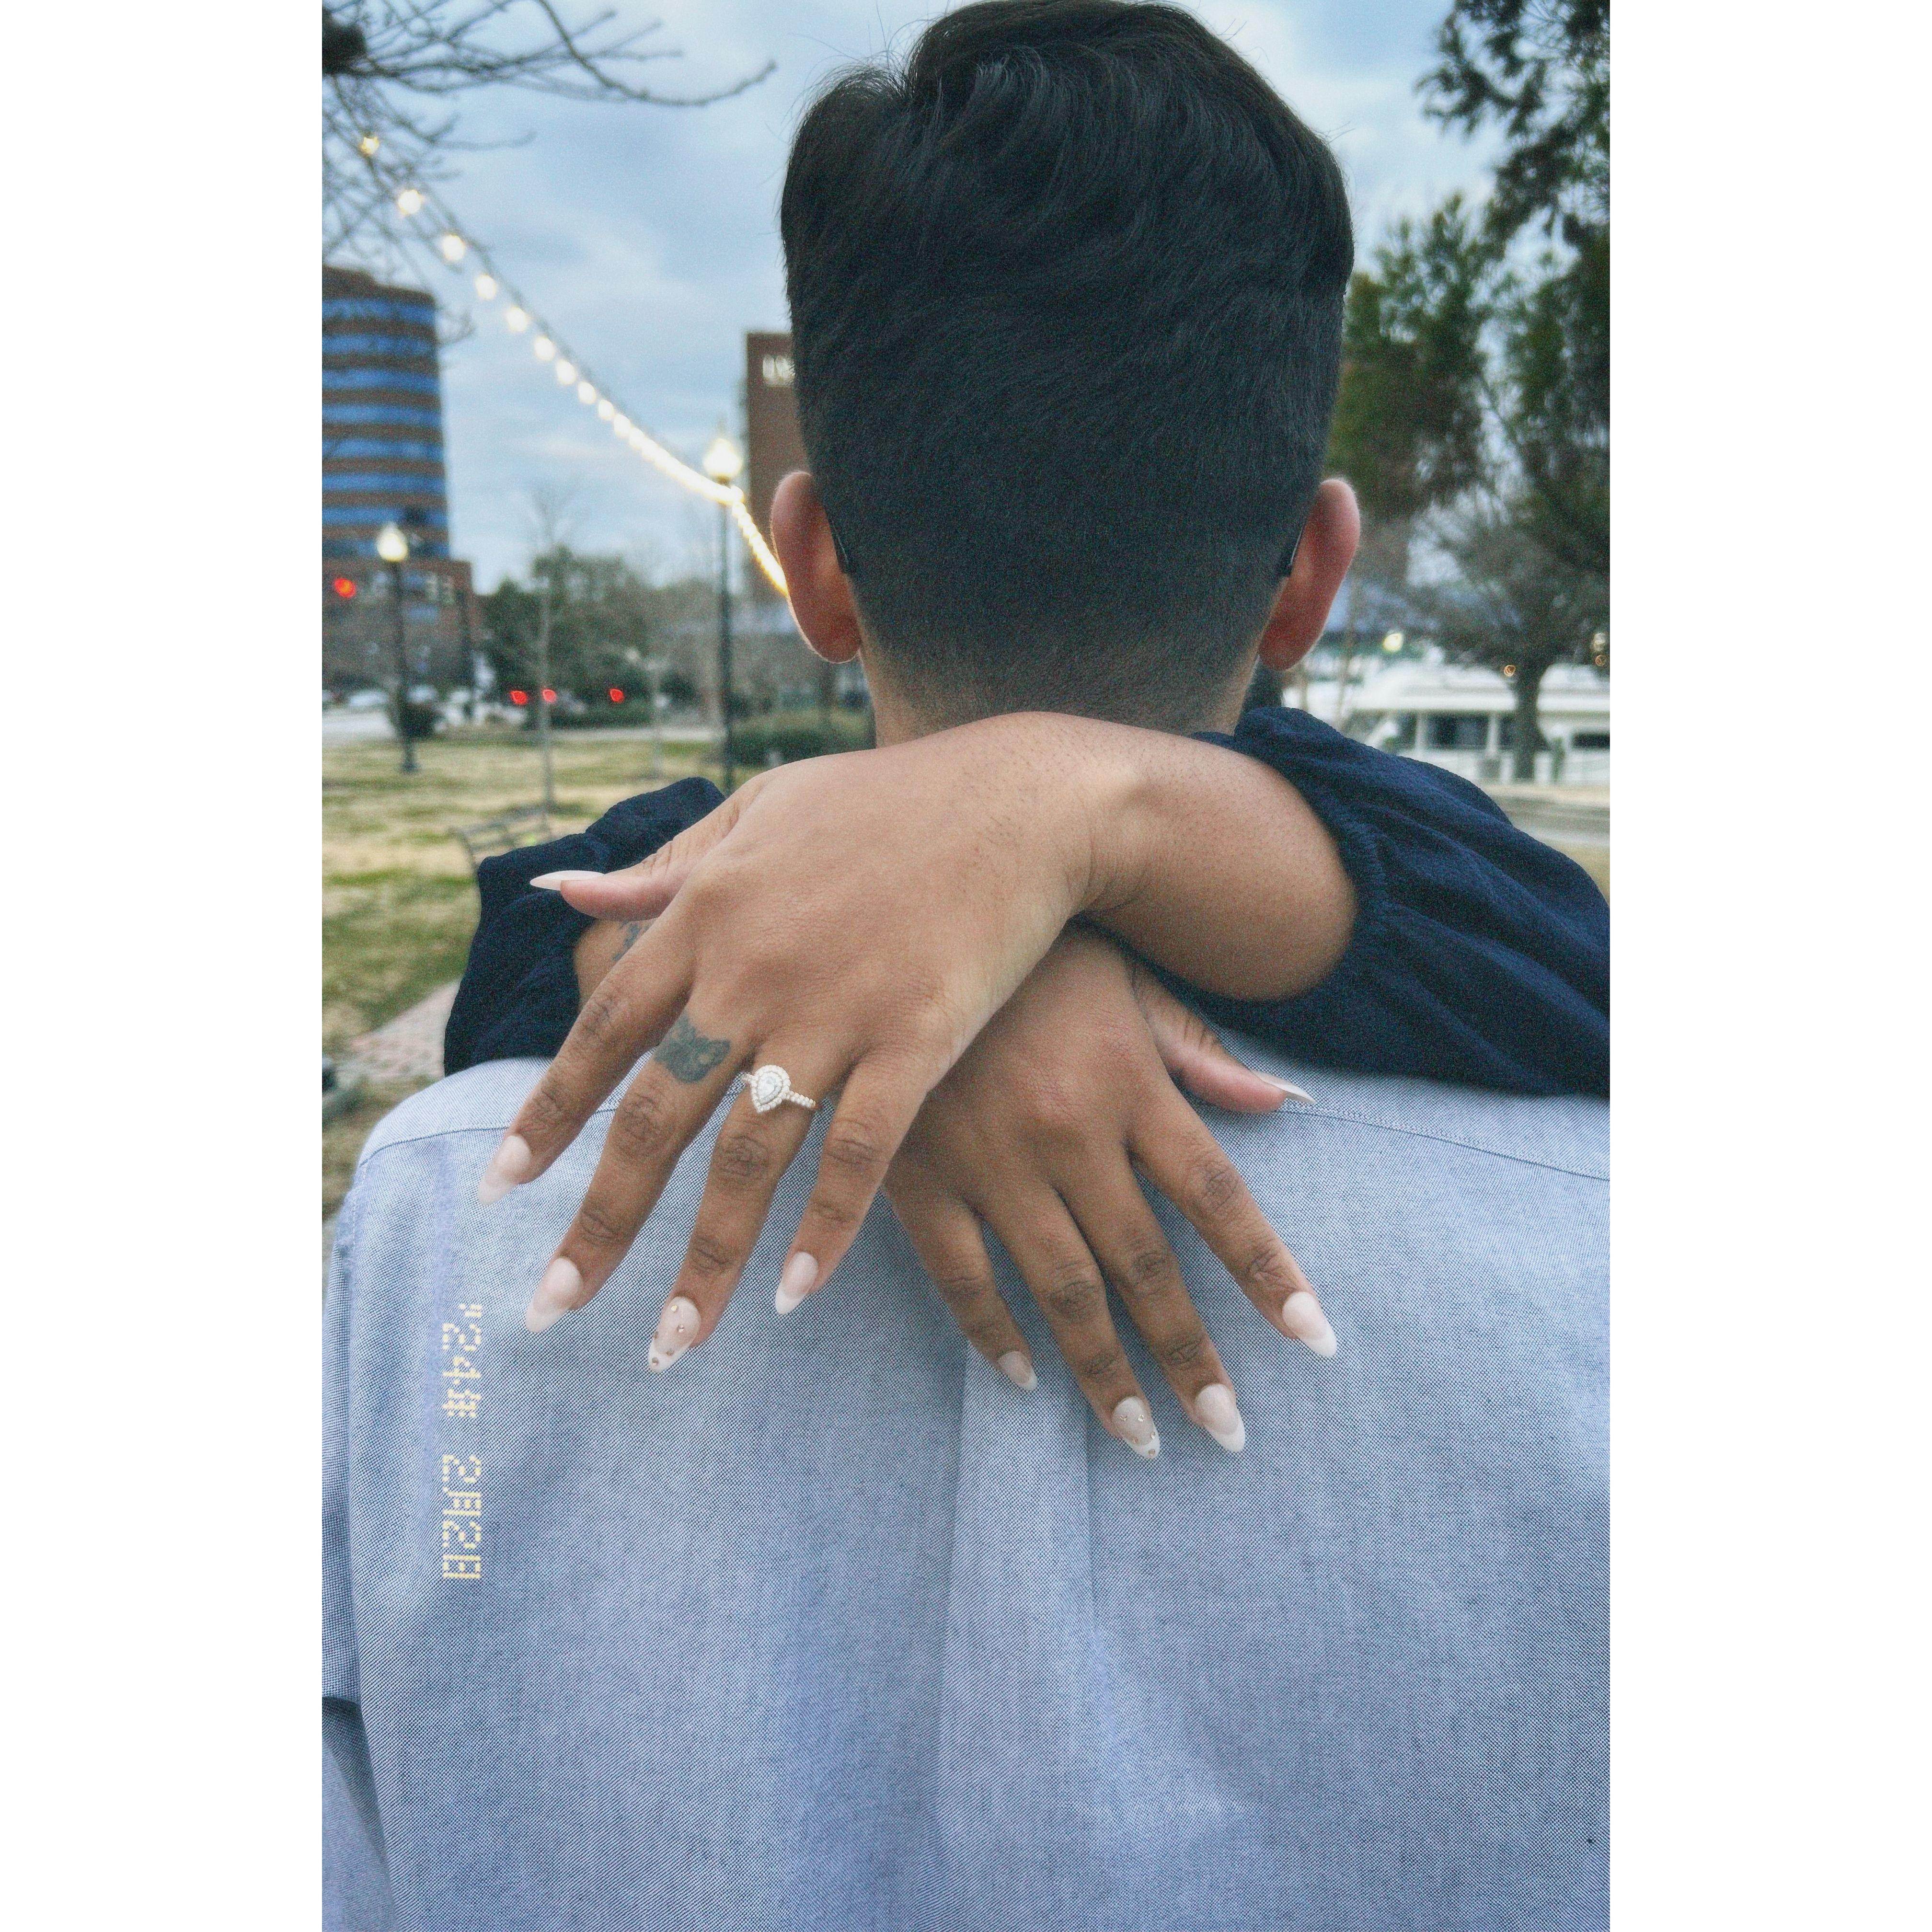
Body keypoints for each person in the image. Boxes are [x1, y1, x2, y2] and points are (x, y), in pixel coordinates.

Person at [327, 4, 1607, 1924]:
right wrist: (1039, 885)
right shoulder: (1612, 1223)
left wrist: (1023, 867)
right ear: (1315, 575)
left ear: (810, 562)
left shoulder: (439, 1218)